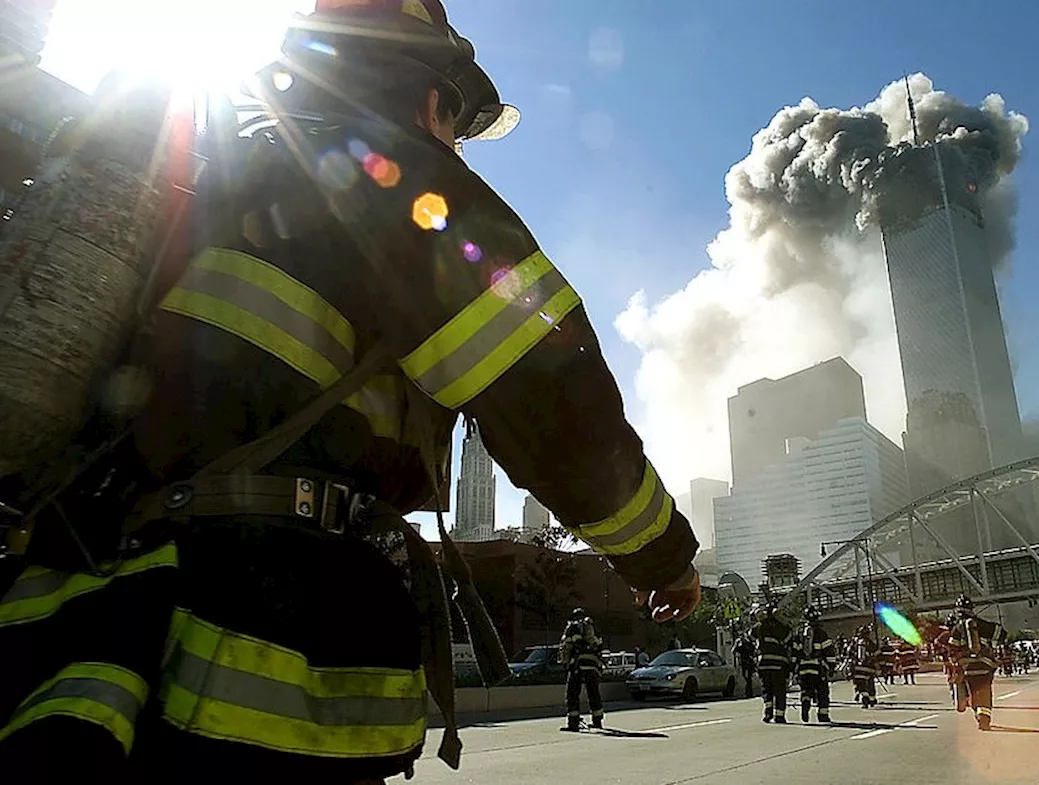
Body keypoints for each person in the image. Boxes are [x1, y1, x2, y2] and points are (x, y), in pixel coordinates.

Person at [0, 2, 701, 782]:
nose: (458, 143)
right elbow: (556, 406)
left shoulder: (219, 179)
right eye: (459, 121)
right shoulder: (400, 183)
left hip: (79, 628)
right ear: (433, 92)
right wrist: (664, 558)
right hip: (248, 656)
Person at [946, 595, 1005, 731]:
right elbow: (1002, 634)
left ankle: (978, 714)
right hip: (986, 666)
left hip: (968, 668)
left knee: (973, 692)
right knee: (985, 691)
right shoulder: (982, 624)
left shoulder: (957, 629)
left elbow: (952, 650)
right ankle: (984, 718)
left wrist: (956, 663)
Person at [560, 608, 604, 730]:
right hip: (593, 665)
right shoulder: (594, 628)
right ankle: (597, 721)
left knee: (572, 693)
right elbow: (600, 646)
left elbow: (567, 646)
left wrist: (566, 662)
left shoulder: (572, 627)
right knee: (593, 692)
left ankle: (573, 723)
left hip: (577, 664)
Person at [789, 605, 834, 723]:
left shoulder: (799, 633)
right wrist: (831, 667)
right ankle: (823, 715)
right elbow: (829, 651)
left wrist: (793, 668)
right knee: (822, 692)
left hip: (803, 669)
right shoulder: (821, 633)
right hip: (818, 668)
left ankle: (805, 701)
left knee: (806, 689)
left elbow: (794, 652)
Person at [751, 603, 792, 723]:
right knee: (779, 690)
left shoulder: (759, 626)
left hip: (764, 664)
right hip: (779, 664)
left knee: (767, 690)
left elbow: (750, 636)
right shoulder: (782, 627)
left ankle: (768, 713)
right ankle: (780, 715)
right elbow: (789, 638)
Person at [851, 626, 881, 708]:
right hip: (869, 668)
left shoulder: (856, 643)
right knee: (870, 684)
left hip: (858, 669)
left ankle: (865, 701)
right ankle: (872, 700)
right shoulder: (870, 643)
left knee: (861, 685)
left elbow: (850, 653)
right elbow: (877, 654)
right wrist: (877, 666)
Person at [733, 629, 757, 698]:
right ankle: (748, 692)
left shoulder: (749, 641)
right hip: (744, 661)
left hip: (749, 661)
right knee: (746, 677)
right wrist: (738, 657)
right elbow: (734, 650)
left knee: (749, 677)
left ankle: (749, 692)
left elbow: (754, 650)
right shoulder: (739, 642)